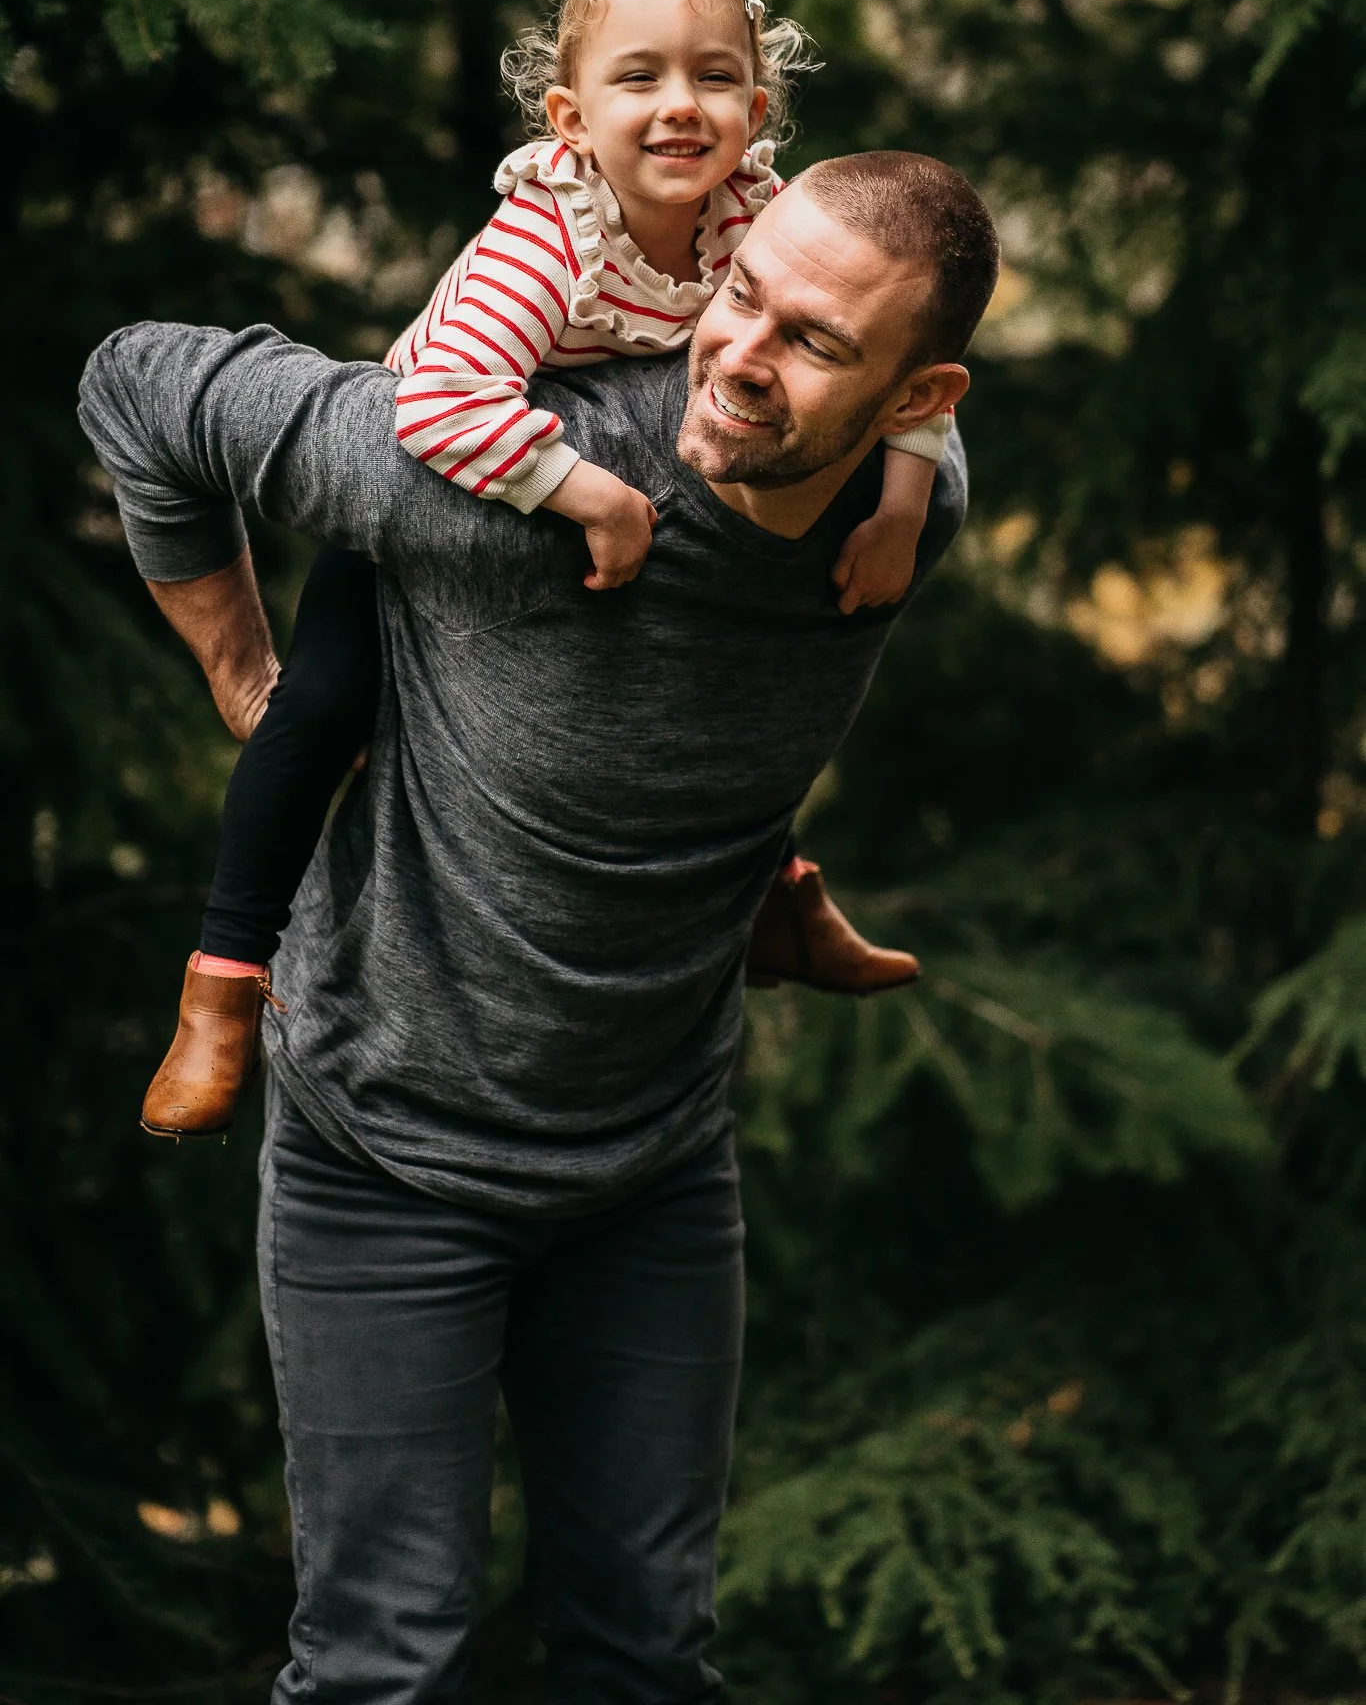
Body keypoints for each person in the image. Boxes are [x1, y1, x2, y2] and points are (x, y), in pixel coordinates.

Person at [78, 146, 993, 1703]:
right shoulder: (496, 480)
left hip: (651, 1164)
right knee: (388, 1670)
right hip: (390, 1151)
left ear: (918, 401)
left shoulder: (897, 523)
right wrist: (250, 679)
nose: (741, 359)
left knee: (644, 1659)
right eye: (739, 297)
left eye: (815, 343)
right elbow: (139, 386)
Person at [147, 0, 952, 1141]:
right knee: (317, 711)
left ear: (759, 103)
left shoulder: (761, 215)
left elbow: (906, 363)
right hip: (446, 487)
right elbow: (437, 406)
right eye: (640, 78)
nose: (681, 106)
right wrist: (589, 489)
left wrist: (897, 507)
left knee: (723, 657)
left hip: (652, 473)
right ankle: (223, 981)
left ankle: (776, 895)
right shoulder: (548, 239)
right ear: (572, 116)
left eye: (715, 77)